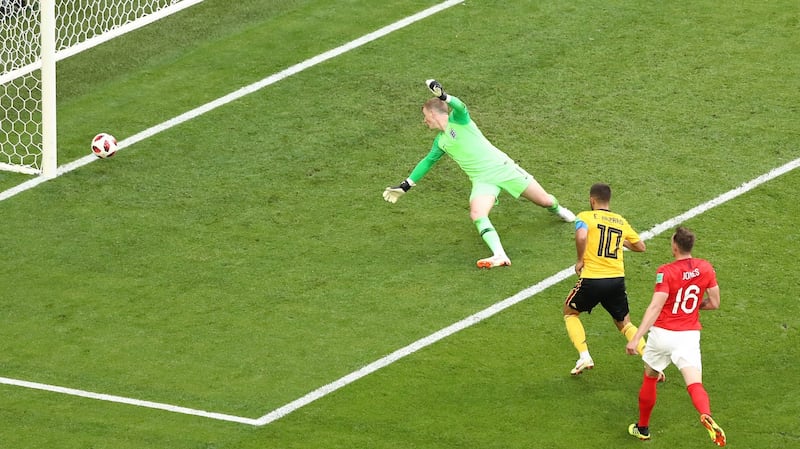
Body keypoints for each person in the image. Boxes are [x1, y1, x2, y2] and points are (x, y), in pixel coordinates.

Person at [382, 79, 575, 269]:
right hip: (482, 181)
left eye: (425, 115)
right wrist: (406, 185)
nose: (424, 120)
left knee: (545, 201)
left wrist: (444, 96)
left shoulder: (460, 121)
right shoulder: (441, 141)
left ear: (434, 113)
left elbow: (460, 106)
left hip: (504, 169)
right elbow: (427, 162)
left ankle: (558, 210)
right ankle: (499, 254)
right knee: (477, 213)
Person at [626, 226, 726, 446]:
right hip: (688, 336)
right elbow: (715, 303)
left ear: (674, 247)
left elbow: (655, 307)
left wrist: (635, 338)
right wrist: (690, 309)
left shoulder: (666, 271)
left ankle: (642, 428)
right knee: (694, 383)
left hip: (663, 334)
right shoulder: (706, 268)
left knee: (651, 376)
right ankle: (706, 413)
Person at [563, 182, 646, 375]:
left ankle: (584, 356)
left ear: (592, 200)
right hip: (616, 280)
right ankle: (651, 361)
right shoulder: (620, 221)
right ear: (608, 200)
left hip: (593, 279)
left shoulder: (585, 217)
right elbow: (641, 246)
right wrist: (620, 241)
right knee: (624, 322)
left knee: (570, 312)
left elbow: (582, 237)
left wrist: (579, 260)